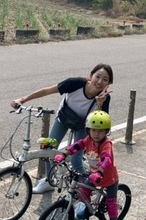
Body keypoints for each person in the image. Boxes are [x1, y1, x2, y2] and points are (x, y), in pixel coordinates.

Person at [11, 64, 113, 193]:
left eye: (105, 79)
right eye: (97, 76)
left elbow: (100, 123)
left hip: (83, 126)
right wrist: (23, 99)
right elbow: (48, 90)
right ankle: (49, 181)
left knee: (76, 160)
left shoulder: (105, 98)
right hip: (63, 118)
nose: (99, 81)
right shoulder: (75, 83)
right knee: (48, 150)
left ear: (109, 83)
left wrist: (99, 103)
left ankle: (84, 190)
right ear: (91, 76)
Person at [53, 110, 119, 220]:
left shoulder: (106, 144)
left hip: (108, 178)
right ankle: (88, 211)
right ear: (88, 130)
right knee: (83, 192)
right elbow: (76, 146)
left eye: (100, 131)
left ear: (106, 131)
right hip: (93, 175)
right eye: (93, 130)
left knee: (111, 204)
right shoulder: (88, 139)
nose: (96, 134)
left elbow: (107, 159)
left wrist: (99, 172)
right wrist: (64, 154)